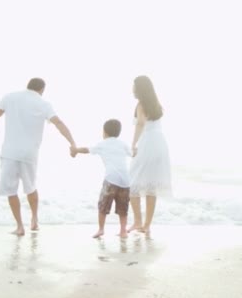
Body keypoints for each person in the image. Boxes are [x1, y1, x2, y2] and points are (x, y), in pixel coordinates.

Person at [0, 78, 76, 236]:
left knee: (11, 190)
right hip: (30, 153)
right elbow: (59, 123)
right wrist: (72, 143)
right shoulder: (44, 104)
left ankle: (19, 226)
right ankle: (35, 220)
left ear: (28, 86)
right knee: (31, 187)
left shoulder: (9, 97)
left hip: (9, 152)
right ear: (42, 89)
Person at [71, 119, 132, 238]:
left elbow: (87, 150)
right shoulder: (123, 144)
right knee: (123, 207)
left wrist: (76, 150)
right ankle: (123, 230)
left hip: (111, 179)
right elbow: (132, 154)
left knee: (103, 205)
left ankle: (101, 229)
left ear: (105, 132)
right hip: (126, 180)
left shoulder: (103, 144)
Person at [127, 76, 172, 235]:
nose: (132, 89)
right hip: (160, 143)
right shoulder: (156, 105)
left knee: (132, 184)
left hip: (147, 143)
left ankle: (138, 222)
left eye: (133, 86)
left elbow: (140, 123)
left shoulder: (140, 105)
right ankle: (146, 225)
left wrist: (133, 144)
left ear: (139, 88)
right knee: (151, 186)